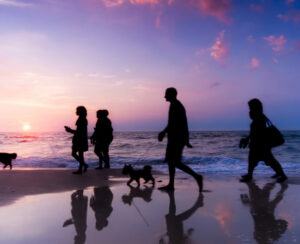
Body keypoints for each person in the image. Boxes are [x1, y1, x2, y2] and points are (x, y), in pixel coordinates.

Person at [158, 87, 203, 192]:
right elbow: (173, 123)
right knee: (171, 162)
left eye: (166, 94)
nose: (165, 97)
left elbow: (179, 123)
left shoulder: (177, 106)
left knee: (175, 162)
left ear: (171, 95)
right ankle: (171, 184)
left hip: (177, 139)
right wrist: (164, 133)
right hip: (174, 138)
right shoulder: (174, 105)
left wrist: (164, 132)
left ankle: (197, 177)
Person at [239, 99, 287, 183]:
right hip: (259, 145)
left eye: (250, 107)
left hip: (261, 145)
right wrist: (247, 139)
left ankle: (282, 175)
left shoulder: (259, 119)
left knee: (270, 160)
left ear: (256, 108)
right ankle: (250, 174)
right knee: (254, 159)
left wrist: (250, 140)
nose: (249, 110)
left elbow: (258, 133)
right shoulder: (259, 118)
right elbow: (253, 132)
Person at [65, 106, 89, 174]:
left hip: (80, 139)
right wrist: (70, 130)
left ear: (80, 111)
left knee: (77, 153)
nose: (76, 112)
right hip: (80, 138)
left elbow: (79, 131)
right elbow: (79, 131)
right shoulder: (82, 119)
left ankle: (81, 168)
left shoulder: (82, 119)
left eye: (77, 110)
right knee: (79, 154)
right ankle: (83, 166)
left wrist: (70, 130)